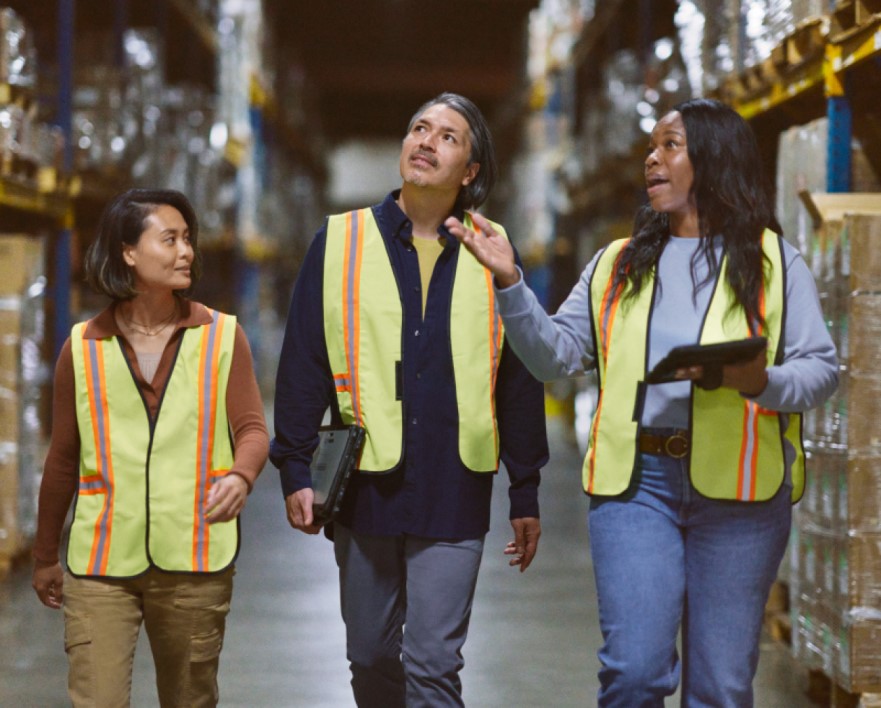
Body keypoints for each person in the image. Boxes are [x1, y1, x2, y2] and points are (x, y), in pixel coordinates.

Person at [448, 98, 839, 706]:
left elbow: (820, 371)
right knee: (633, 673)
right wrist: (510, 285)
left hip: (740, 498)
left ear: (713, 159)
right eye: (651, 149)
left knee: (723, 685)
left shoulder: (774, 264)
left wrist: (759, 382)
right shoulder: (617, 264)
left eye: (670, 146)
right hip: (636, 487)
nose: (652, 159)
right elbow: (556, 356)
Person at [270, 92, 549, 707]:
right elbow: (304, 363)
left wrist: (525, 484)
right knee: (369, 654)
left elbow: (519, 372)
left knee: (434, 666)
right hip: (367, 486)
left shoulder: (492, 247)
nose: (426, 141)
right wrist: (293, 465)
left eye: (448, 137)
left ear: (471, 171)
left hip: (456, 483)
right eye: (419, 128)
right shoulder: (339, 241)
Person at [31, 188, 269, 707]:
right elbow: (63, 457)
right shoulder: (83, 347)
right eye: (169, 239)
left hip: (194, 560)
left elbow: (252, 429)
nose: (185, 251)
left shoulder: (223, 336)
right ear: (128, 252)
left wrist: (240, 476)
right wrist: (45, 553)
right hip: (100, 564)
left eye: (188, 239)